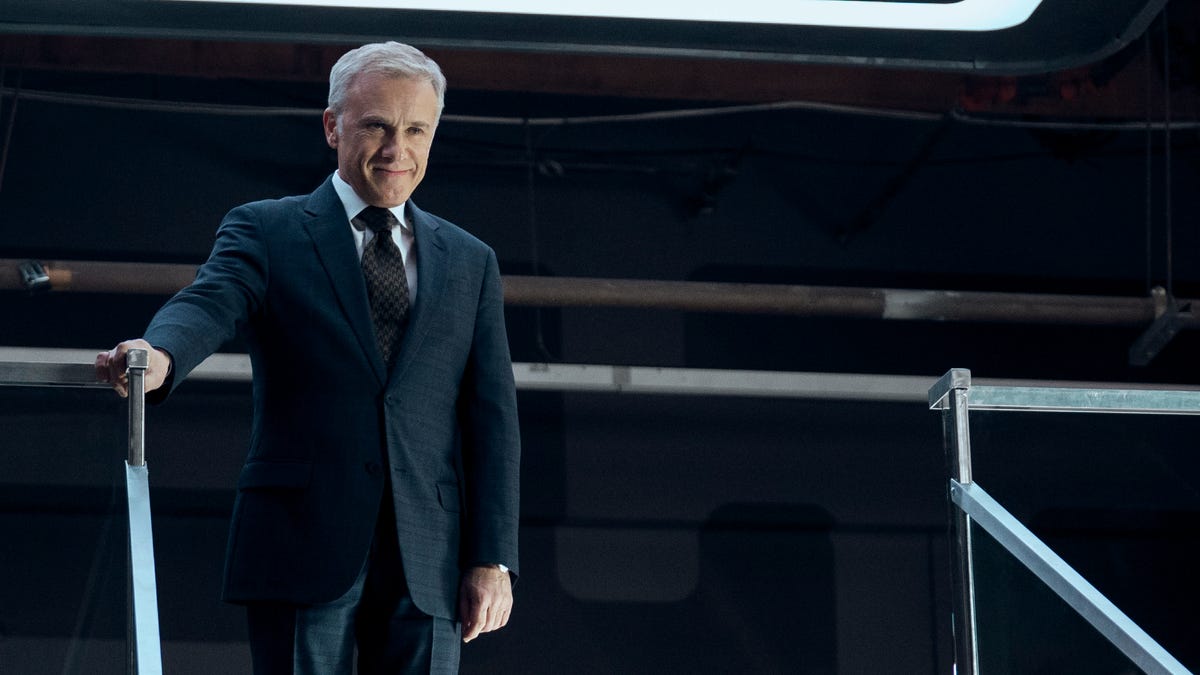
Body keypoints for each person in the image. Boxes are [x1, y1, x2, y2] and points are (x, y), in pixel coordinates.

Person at [95, 41, 520, 675]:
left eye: (416, 130)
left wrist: (493, 557)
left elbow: (493, 420)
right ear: (332, 126)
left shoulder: (470, 260)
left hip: (429, 554)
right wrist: (160, 354)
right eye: (376, 125)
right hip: (299, 538)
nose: (396, 149)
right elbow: (209, 301)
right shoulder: (268, 230)